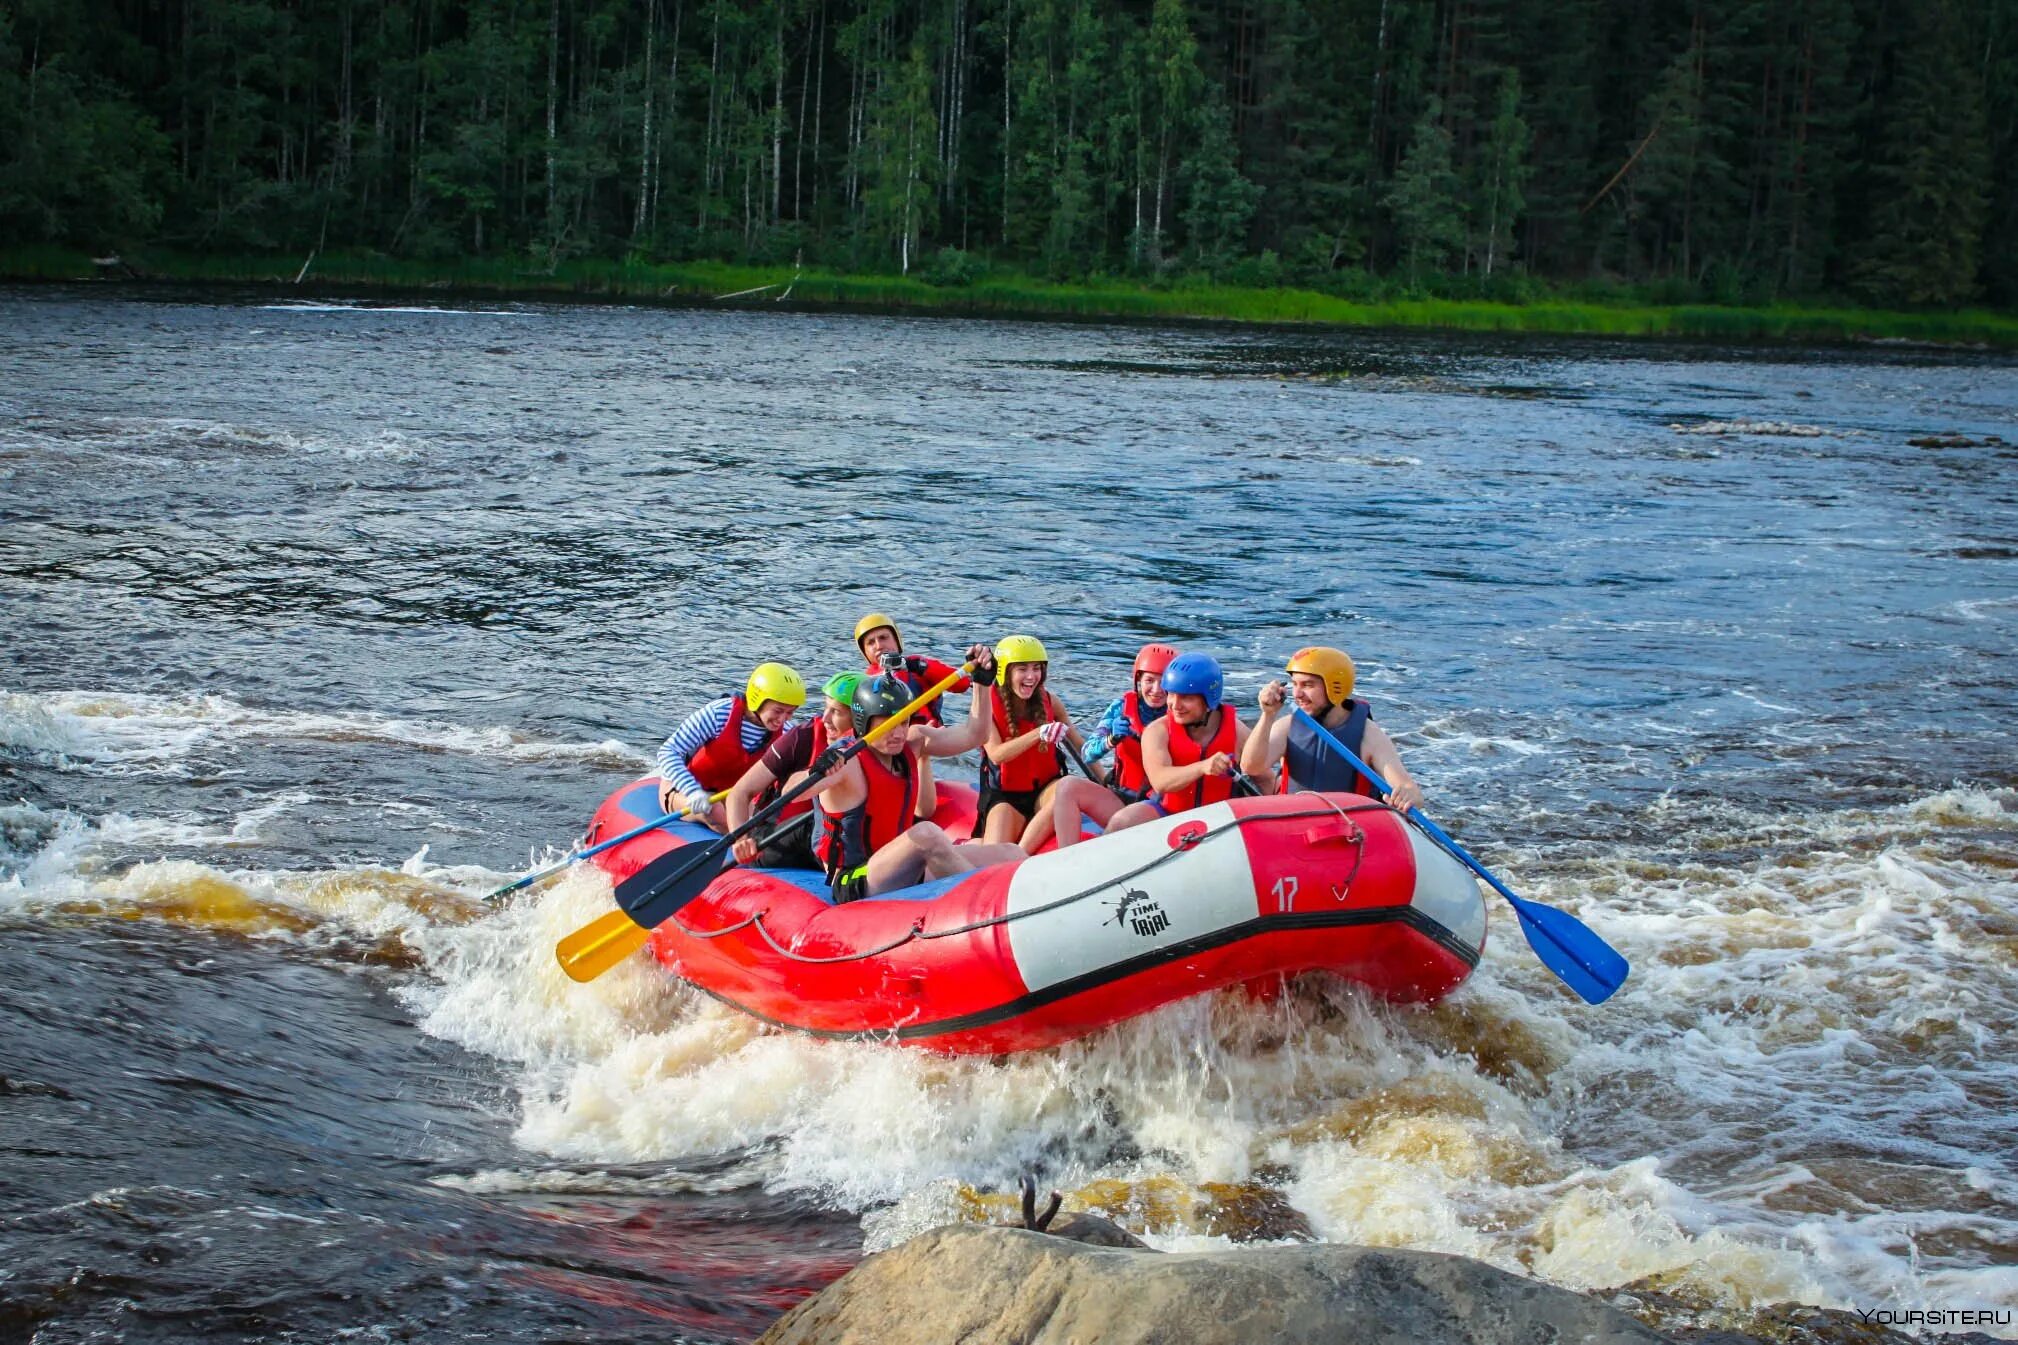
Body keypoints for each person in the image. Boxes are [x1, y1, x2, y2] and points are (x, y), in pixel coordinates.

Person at [805, 674, 1024, 902]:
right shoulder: (846, 762)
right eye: (888, 724)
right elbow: (799, 791)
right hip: (856, 879)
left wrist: (982, 683)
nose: (899, 733)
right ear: (864, 722)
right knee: (925, 834)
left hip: (902, 866)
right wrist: (819, 769)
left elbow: (974, 735)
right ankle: (987, 903)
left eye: (903, 722)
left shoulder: (914, 742)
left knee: (1010, 852)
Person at [1239, 645, 1424, 811]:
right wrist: (1268, 715)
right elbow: (1251, 767)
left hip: (1352, 830)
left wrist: (1409, 795)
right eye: (1295, 684)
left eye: (1307, 685)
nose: (1297, 694)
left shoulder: (1369, 734)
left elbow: (1407, 787)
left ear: (1335, 687)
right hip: (1295, 822)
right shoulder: (1287, 727)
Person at [1040, 643, 1178, 848]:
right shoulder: (1120, 708)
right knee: (1068, 786)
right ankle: (1067, 858)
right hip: (1123, 798)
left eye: (1163, 682)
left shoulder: (1180, 710)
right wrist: (1110, 739)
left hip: (1162, 807)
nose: (1156, 690)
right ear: (1138, 680)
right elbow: (1088, 753)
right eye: (1149, 680)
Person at [723, 671, 862, 870]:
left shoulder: (875, 745)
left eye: (837, 712)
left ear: (859, 718)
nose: (825, 719)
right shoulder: (801, 738)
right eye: (826, 708)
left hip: (830, 840)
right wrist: (740, 840)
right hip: (775, 838)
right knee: (816, 824)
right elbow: (740, 792)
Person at [653, 662, 806, 832]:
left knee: (757, 818)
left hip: (735, 796)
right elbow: (668, 752)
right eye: (778, 711)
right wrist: (692, 790)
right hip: (686, 792)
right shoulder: (718, 714)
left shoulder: (787, 733)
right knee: (715, 810)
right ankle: (747, 847)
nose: (783, 719)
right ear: (758, 701)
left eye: (790, 712)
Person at [974, 634, 1088, 847]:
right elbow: (997, 755)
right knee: (993, 850)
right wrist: (1039, 733)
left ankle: (1022, 851)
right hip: (1006, 797)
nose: (1031, 676)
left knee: (1066, 789)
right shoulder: (986, 706)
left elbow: (1081, 748)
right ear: (1004, 672)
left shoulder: (1051, 702)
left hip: (1046, 790)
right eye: (1022, 669)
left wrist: (1107, 781)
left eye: (1036, 668)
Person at [1137, 652, 1251, 816]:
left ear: (1208, 699)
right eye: (1171, 694)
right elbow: (1160, 781)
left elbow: (1263, 776)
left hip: (1222, 817)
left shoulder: (1237, 731)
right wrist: (1203, 767)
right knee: (1122, 821)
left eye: (1185, 697)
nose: (1175, 705)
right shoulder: (1157, 731)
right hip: (1166, 813)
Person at [853, 612, 972, 727]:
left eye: (883, 638)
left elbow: (963, 684)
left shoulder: (918, 666)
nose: (879, 646)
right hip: (890, 742)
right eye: (870, 642)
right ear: (865, 651)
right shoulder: (863, 683)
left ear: (896, 640)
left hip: (929, 738)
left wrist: (920, 667)